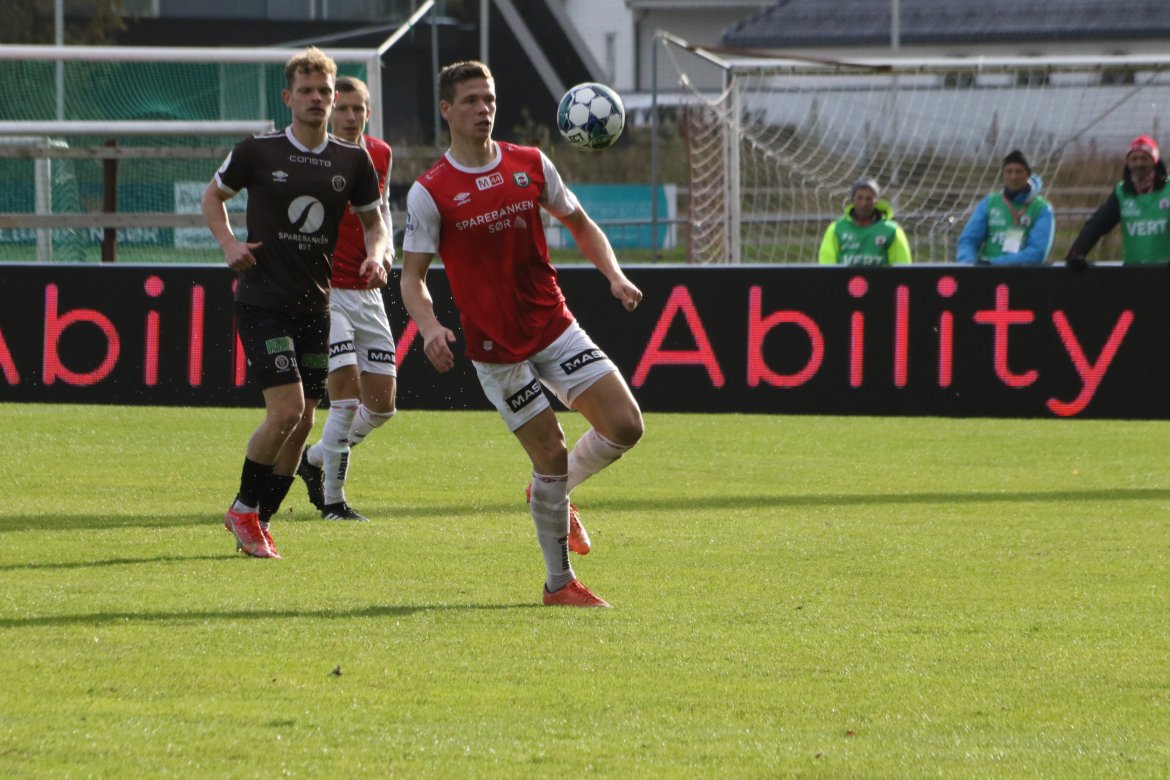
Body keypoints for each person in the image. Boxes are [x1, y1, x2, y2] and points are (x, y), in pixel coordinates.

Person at [399, 61, 644, 608]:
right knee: (551, 453)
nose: (483, 108)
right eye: (470, 100)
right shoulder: (431, 192)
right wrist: (430, 326)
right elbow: (411, 279)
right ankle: (559, 584)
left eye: (488, 98)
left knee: (626, 425)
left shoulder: (530, 163)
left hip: (553, 325)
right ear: (446, 110)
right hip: (496, 349)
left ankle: (552, 492)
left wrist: (614, 276)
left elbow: (580, 223)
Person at [202, 47, 388, 558]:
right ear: (288, 97)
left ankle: (261, 519)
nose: (316, 99)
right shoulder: (258, 151)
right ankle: (242, 509)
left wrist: (377, 255)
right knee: (285, 411)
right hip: (263, 301)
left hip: (317, 307)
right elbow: (212, 196)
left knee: (304, 420)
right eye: (306, 90)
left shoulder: (352, 160)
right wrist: (229, 244)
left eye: (324, 91)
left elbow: (375, 222)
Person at [296, 76, 397, 522]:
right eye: (344, 108)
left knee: (382, 406)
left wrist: (385, 252)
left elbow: (382, 213)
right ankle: (333, 502)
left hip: (367, 291)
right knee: (346, 399)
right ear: (331, 111)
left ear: (368, 113)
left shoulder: (381, 154)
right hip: (324, 292)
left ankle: (314, 458)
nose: (352, 117)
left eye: (359, 109)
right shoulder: (312, 157)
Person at [1066, 135, 1170, 268]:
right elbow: (1098, 224)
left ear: (1154, 160)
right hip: (1134, 271)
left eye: (1144, 158)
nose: (1139, 163)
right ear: (1128, 162)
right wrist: (1077, 252)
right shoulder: (1122, 192)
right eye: (1134, 159)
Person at [957, 150, 1054, 266]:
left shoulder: (1042, 208)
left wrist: (993, 264)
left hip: (1022, 272)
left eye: (1019, 171)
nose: (1013, 176)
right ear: (1002, 176)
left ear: (1028, 175)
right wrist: (968, 264)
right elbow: (968, 240)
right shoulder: (989, 202)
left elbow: (1037, 253)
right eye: (1009, 171)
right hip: (986, 272)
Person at [818, 178, 912, 266]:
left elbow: (902, 266)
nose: (864, 203)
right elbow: (826, 265)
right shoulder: (837, 228)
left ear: (876, 201)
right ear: (852, 200)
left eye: (869, 198)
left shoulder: (892, 230)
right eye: (859, 198)